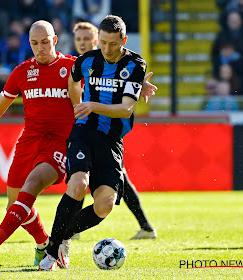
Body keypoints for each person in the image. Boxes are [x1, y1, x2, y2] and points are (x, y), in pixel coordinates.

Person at [0, 20, 156, 268]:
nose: (40, 47)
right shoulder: (21, 72)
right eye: (35, 43)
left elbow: (108, 75)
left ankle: (3, 244)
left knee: (42, 186)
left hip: (63, 142)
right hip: (30, 142)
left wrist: (137, 85)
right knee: (16, 205)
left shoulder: (70, 64)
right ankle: (45, 243)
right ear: (29, 44)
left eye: (45, 42)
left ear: (55, 40)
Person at [39, 15, 152, 271]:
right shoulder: (87, 60)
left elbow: (125, 109)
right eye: (102, 43)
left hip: (112, 140)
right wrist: (77, 107)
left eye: (113, 44)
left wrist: (93, 105)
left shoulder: (135, 63)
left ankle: (62, 236)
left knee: (104, 205)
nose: (107, 49)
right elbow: (72, 80)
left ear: (123, 40)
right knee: (78, 184)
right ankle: (52, 251)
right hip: (84, 132)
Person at [71, 21, 157, 240]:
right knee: (81, 174)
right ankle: (73, 228)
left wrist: (136, 85)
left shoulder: (108, 59)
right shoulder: (76, 63)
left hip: (108, 133)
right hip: (84, 127)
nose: (82, 43)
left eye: (86, 40)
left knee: (119, 180)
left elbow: (124, 89)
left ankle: (72, 227)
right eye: (78, 39)